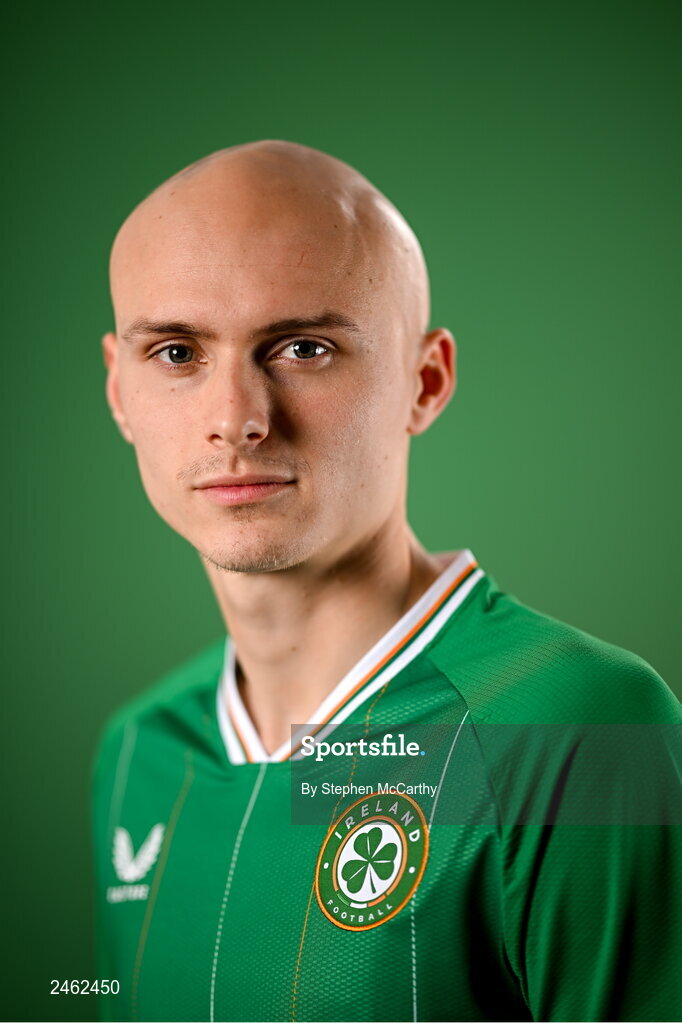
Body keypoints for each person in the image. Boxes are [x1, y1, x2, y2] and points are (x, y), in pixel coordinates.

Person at [93, 139, 681, 1023]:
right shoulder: (138, 754)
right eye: (176, 353)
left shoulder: (580, 731)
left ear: (426, 379)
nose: (235, 420)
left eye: (302, 347)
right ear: (118, 392)